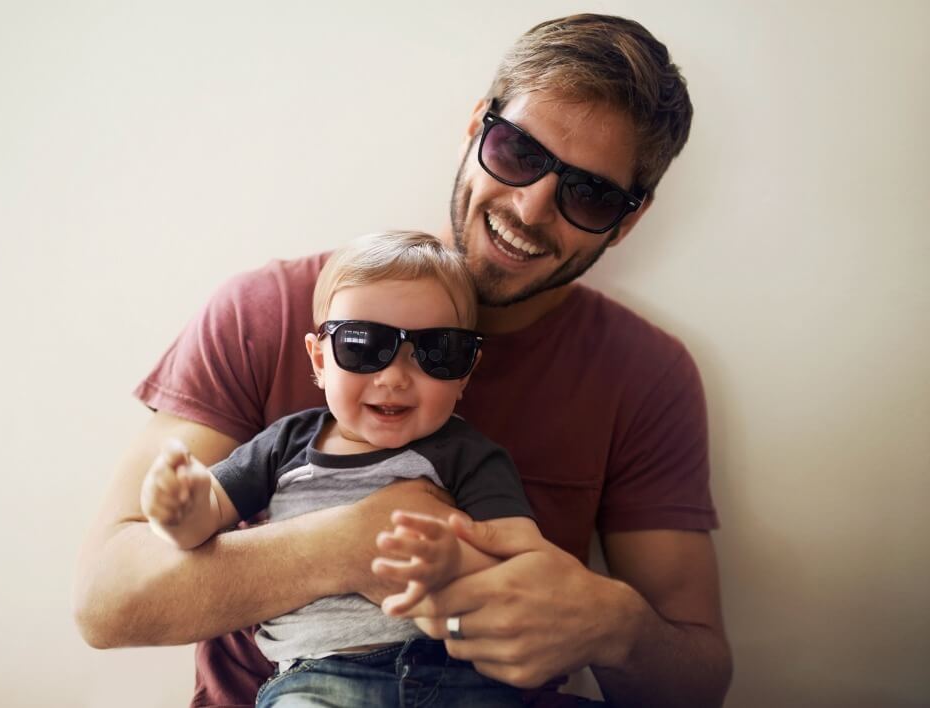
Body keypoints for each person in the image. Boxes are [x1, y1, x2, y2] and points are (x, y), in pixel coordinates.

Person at [74, 13, 733, 707]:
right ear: (479, 126)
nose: (532, 206)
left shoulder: (643, 376)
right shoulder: (264, 310)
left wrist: (615, 628)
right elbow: (107, 599)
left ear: (628, 219)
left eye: (591, 194)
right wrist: (356, 539)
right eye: (519, 151)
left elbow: (695, 681)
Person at [140, 231, 543, 707]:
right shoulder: (284, 446)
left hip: (457, 677)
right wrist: (179, 508)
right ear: (319, 359)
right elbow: (200, 526)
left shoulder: (468, 455)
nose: (394, 376)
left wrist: (457, 565)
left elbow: (528, 573)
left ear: (465, 373)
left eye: (437, 351)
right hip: (319, 680)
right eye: (363, 345)